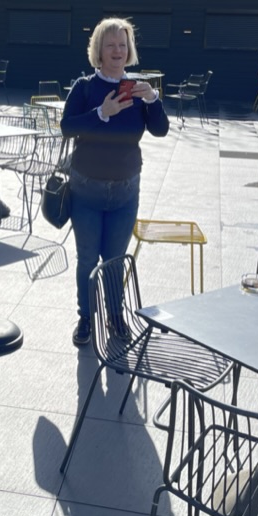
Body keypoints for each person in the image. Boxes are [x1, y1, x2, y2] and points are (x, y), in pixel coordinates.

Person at [61, 18, 170, 345]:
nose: (118, 51)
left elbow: (161, 130)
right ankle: (85, 318)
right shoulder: (84, 88)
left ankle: (115, 315)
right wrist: (101, 112)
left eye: (123, 45)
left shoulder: (137, 91)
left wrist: (152, 100)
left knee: (114, 261)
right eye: (110, 45)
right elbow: (67, 127)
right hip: (87, 190)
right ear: (99, 50)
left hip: (125, 191)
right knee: (86, 259)